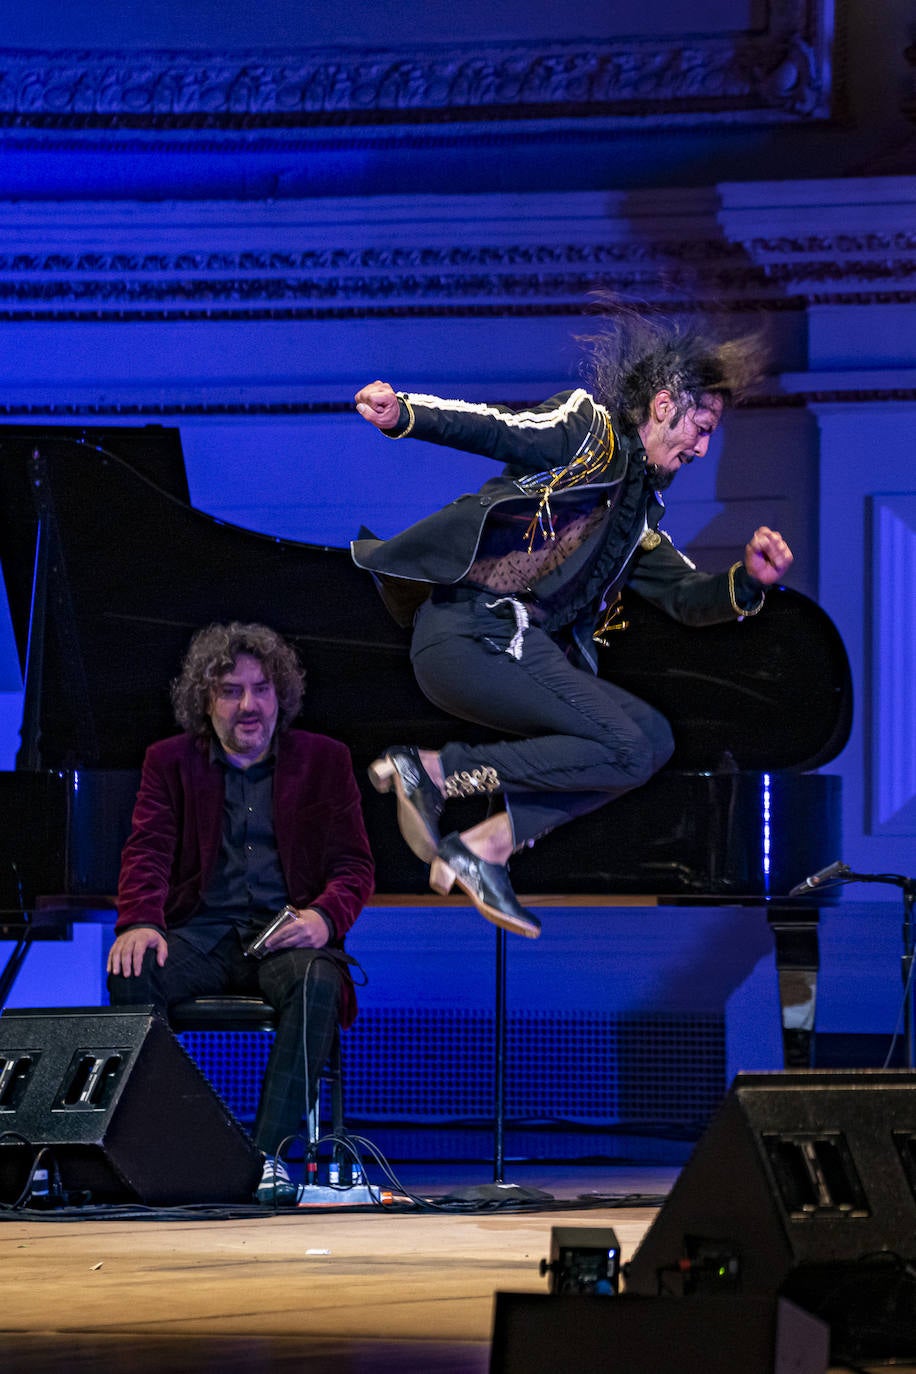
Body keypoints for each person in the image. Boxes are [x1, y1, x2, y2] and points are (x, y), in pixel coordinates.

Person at [351, 306, 792, 940]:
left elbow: (689, 597)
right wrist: (407, 413)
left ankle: (489, 845)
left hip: (509, 646)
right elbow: (502, 429)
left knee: (650, 740)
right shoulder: (590, 433)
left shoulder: (640, 517)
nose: (700, 446)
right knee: (629, 743)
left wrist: (749, 581)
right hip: (468, 631)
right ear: (665, 403)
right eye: (700, 426)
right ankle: (435, 771)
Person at [107, 622, 375, 1204]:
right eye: (230, 691)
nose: (248, 705)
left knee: (318, 978)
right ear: (205, 701)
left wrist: (325, 919)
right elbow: (147, 849)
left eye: (261, 689)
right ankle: (167, 1153)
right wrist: (140, 921)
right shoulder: (169, 761)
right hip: (200, 934)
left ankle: (268, 1163)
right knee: (132, 967)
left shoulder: (326, 761)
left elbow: (354, 866)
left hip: (284, 936)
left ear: (281, 694)